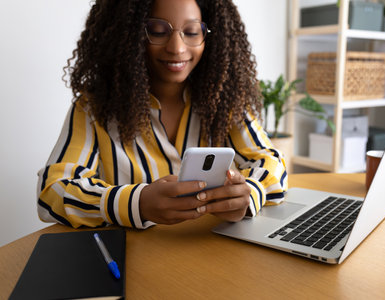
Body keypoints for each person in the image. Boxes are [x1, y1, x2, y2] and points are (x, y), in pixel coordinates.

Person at [37, 0, 287, 229]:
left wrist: (248, 194)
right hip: (132, 263)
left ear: (209, 36)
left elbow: (271, 161)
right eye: (157, 31)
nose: (177, 48)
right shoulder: (94, 108)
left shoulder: (225, 101)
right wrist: (136, 202)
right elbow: (53, 191)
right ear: (128, 34)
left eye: (191, 32)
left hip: (212, 255)